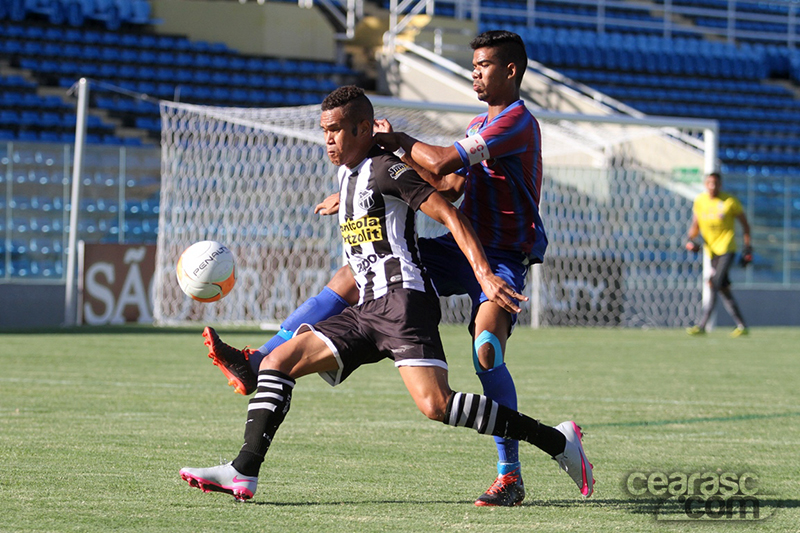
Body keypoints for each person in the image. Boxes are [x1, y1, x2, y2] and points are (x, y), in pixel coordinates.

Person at [180, 86, 593, 504]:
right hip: (367, 309)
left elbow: (448, 210)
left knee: (437, 405)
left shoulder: (386, 169)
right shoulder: (349, 173)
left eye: (337, 130)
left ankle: (555, 444)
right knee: (278, 362)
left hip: (403, 304)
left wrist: (484, 274)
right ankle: (243, 471)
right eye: (324, 131)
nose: (328, 140)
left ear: (363, 129)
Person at [685, 171, 752, 337]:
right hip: (711, 251)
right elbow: (695, 226)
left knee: (714, 283)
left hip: (727, 248)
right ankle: (742, 326)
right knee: (723, 288)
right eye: (709, 183)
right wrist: (690, 240)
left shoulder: (729, 201)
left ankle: (702, 324)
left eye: (716, 183)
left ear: (720, 185)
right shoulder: (700, 201)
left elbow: (745, 225)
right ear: (705, 184)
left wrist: (748, 247)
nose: (712, 186)